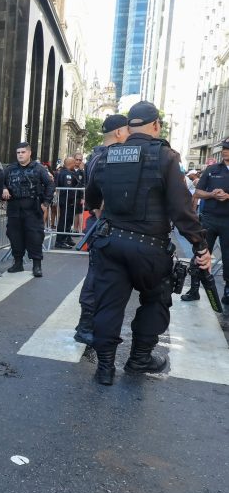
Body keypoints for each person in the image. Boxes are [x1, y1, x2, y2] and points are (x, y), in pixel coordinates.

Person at [85, 101, 210, 385]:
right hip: (150, 248)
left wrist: (102, 213)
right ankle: (139, 359)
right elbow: (181, 209)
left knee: (108, 304)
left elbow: (92, 197)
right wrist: (200, 246)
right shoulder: (165, 156)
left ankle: (105, 368)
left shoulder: (106, 155)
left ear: (129, 127)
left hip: (110, 242)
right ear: (156, 125)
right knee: (155, 300)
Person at [74, 113, 129, 345]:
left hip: (104, 224)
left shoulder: (96, 155)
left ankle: (90, 323)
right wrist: (99, 211)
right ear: (118, 132)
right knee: (97, 278)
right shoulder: (107, 156)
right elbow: (95, 194)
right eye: (127, 130)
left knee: (101, 277)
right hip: (104, 226)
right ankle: (85, 325)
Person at [184, 139, 229, 303]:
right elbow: (198, 192)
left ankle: (227, 292)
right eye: (224, 148)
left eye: (228, 149)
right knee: (200, 253)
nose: (225, 151)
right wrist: (212, 195)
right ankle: (194, 289)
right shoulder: (212, 170)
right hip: (209, 219)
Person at [1, 142, 54, 277]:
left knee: (35, 237)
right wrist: (4, 188)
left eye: (23, 152)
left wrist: (46, 203)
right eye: (18, 152)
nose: (20, 155)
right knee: (14, 236)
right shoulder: (10, 169)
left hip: (33, 208)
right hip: (14, 208)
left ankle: (37, 265)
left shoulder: (39, 168)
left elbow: (50, 184)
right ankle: (18, 263)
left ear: (29, 153)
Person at [54, 157, 79, 248]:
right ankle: (60, 241)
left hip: (66, 201)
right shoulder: (67, 174)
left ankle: (66, 238)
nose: (76, 163)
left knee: (67, 220)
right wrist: (71, 200)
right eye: (74, 162)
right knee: (64, 221)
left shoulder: (63, 172)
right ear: (71, 163)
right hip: (66, 201)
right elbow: (68, 189)